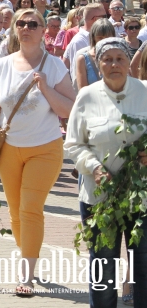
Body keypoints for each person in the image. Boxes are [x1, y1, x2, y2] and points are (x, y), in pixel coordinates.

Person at [0, 8, 75, 297]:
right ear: (16, 29)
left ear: (44, 31)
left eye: (33, 23)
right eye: (21, 23)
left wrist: (44, 86)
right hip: (9, 151)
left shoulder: (54, 66)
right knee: (16, 215)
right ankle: (29, 254)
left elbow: (70, 108)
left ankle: (26, 274)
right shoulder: (3, 65)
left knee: (30, 209)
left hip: (45, 149)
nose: (26, 27)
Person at [66, 38, 147, 308]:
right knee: (103, 269)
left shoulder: (144, 91)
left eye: (120, 58)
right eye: (107, 59)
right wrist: (95, 167)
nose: (114, 64)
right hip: (100, 197)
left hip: (142, 196)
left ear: (129, 63)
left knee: (144, 266)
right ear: (98, 64)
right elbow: (74, 144)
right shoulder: (87, 96)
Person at [73, 17, 116, 90]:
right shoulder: (83, 58)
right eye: (100, 38)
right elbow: (82, 91)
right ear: (93, 37)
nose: (104, 41)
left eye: (108, 37)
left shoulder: (120, 56)